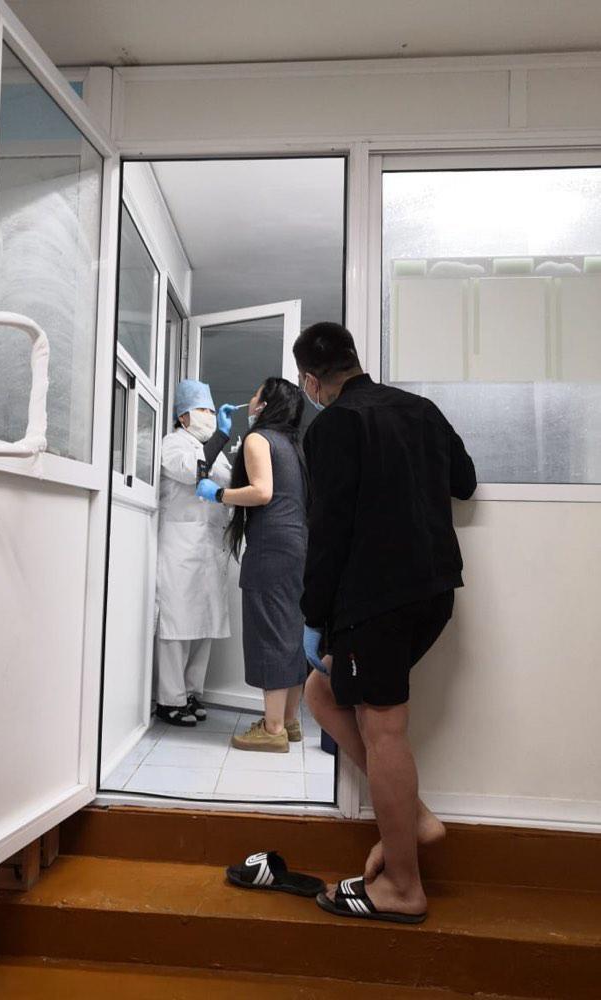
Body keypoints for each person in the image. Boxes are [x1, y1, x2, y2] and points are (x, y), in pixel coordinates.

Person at [294, 322, 476, 923]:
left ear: (312, 382)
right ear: (355, 359)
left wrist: (314, 615)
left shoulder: (333, 425)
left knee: (384, 731)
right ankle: (413, 818)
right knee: (322, 693)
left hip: (374, 601)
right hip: (434, 592)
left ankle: (403, 886)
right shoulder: (420, 409)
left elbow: (328, 532)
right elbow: (465, 482)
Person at [197, 378, 308, 753]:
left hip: (271, 548)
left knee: (270, 632)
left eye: (257, 393)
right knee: (289, 631)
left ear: (264, 405)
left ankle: (272, 729)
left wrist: (219, 493)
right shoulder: (292, 444)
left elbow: (262, 492)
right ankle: (289, 721)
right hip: (296, 545)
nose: (251, 397)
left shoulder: (259, 439)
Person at [155, 380, 237, 726]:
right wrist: (221, 436)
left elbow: (229, 485)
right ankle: (169, 700)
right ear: (183, 416)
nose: (209, 415)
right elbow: (193, 471)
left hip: (209, 548)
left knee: (204, 624)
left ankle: (191, 693)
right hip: (181, 547)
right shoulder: (173, 443)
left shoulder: (214, 452)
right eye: (202, 409)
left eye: (211, 409)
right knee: (177, 625)